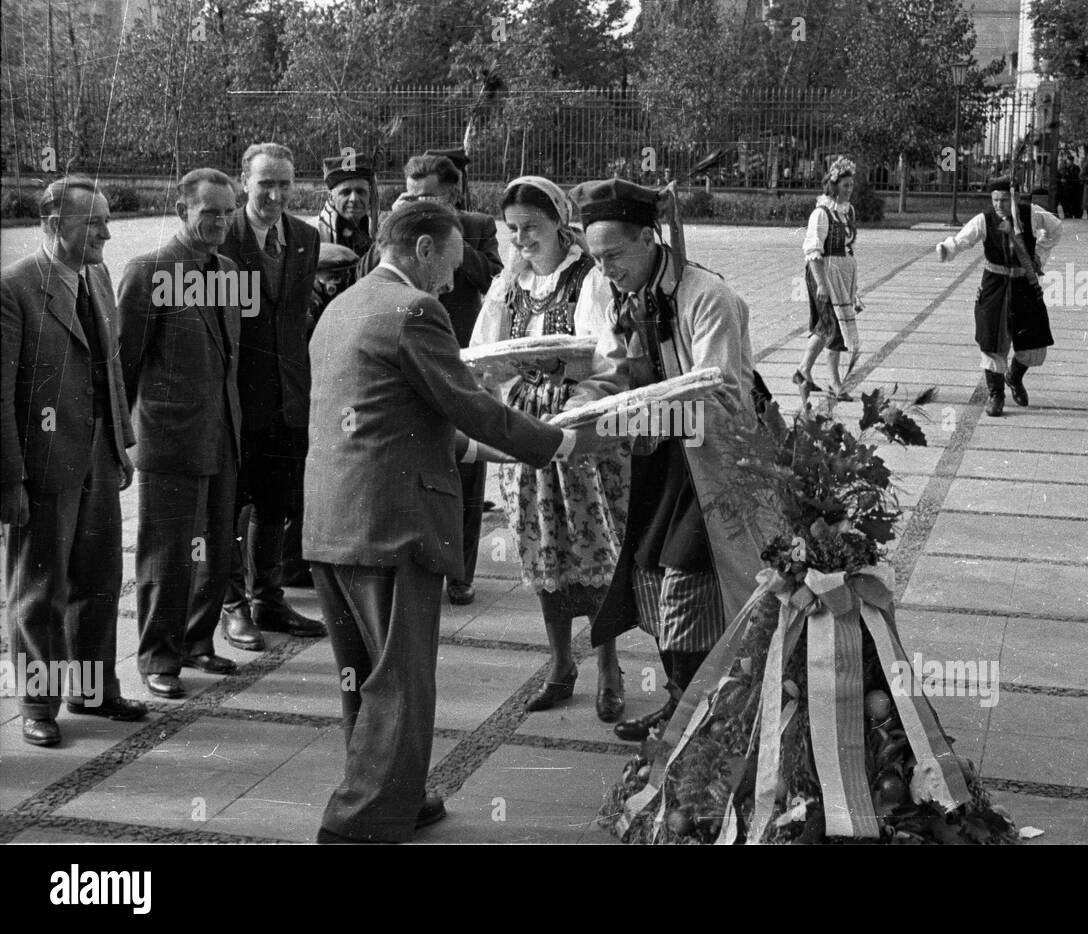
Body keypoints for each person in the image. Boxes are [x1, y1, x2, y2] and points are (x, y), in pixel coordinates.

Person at [304, 200, 613, 843]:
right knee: (402, 685)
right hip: (394, 527)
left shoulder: (344, 304)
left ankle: (395, 795)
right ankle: (354, 828)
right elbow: (468, 404)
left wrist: (482, 448)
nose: (454, 277)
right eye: (449, 259)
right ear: (421, 249)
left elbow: (393, 416)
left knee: (361, 677)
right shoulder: (415, 310)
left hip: (335, 522)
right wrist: (556, 444)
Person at [569, 178, 775, 742]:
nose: (605, 268)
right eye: (596, 258)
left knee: (693, 583)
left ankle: (720, 714)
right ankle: (684, 705)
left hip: (715, 460)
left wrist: (634, 418)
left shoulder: (708, 296)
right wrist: (584, 400)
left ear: (647, 237)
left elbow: (723, 397)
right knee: (653, 580)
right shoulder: (612, 290)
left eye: (614, 254)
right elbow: (613, 367)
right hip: (657, 461)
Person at [469, 176, 629, 721]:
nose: (520, 241)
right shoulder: (507, 285)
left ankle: (609, 664)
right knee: (542, 547)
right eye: (512, 231)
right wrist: (506, 380)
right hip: (524, 435)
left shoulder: (588, 280)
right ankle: (561, 663)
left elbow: (610, 359)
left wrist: (563, 377)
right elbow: (483, 355)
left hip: (578, 436)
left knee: (595, 546)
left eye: (530, 228)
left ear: (560, 222)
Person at [1, 176, 147, 745]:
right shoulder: (14, 289)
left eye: (109, 221)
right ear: (53, 225)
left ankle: (93, 689)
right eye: (95, 223)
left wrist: (120, 442)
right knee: (39, 588)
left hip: (97, 457)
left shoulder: (99, 276)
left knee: (100, 579)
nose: (108, 234)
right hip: (42, 465)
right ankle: (38, 703)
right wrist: (10, 477)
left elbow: (108, 368)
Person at [117, 168, 245, 699]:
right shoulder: (148, 271)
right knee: (167, 555)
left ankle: (197, 641)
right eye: (209, 211)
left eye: (227, 211)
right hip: (170, 439)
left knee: (215, 551)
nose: (219, 221)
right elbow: (123, 364)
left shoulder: (230, 271)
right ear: (182, 211)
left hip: (223, 435)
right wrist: (118, 443)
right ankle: (158, 656)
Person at [361, 151, 503, 604]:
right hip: (404, 350)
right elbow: (368, 273)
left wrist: (446, 241)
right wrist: (400, 224)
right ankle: (419, 559)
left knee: (467, 463)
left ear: (453, 193)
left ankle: (460, 572)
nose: (419, 203)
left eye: (430, 196)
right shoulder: (396, 224)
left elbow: (493, 278)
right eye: (413, 194)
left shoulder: (477, 225)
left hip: (461, 348)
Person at [217, 142, 325, 650]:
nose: (276, 195)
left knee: (276, 504)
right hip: (239, 402)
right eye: (266, 184)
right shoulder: (224, 240)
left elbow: (296, 320)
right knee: (233, 507)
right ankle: (232, 605)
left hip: (288, 399)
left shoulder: (304, 238)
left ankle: (269, 597)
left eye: (285, 184)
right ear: (245, 182)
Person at [935, 177, 1062, 416]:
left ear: (1013, 198)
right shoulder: (984, 220)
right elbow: (963, 240)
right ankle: (996, 395)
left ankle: (1014, 375)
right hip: (995, 285)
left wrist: (1039, 254)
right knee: (992, 340)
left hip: (1025, 283)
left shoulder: (1031, 213)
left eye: (1004, 200)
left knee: (1034, 341)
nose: (999, 205)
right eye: (995, 200)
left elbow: (1056, 228)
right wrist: (946, 248)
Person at [795, 156, 860, 401]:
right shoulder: (821, 214)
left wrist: (852, 283)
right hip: (822, 274)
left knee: (825, 327)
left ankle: (803, 371)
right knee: (834, 328)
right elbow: (812, 252)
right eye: (845, 186)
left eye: (851, 185)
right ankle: (835, 383)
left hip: (841, 277)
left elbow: (848, 248)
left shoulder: (847, 212)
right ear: (833, 186)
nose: (849, 190)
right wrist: (821, 283)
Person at [317, 153, 375, 258]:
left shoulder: (378, 230)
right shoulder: (315, 233)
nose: (354, 199)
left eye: (360, 191)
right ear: (331, 197)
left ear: (370, 196)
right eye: (346, 192)